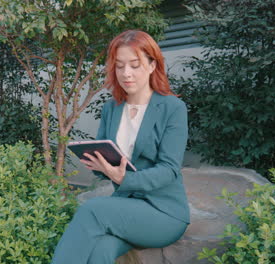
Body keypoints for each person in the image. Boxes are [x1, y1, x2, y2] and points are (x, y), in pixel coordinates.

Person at [51, 29, 190, 264]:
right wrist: (98, 164)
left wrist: (124, 178)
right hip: (125, 209)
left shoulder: (172, 108)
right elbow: (106, 161)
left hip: (163, 213)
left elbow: (169, 169)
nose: (126, 73)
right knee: (100, 251)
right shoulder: (111, 108)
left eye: (134, 65)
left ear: (151, 64)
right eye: (119, 66)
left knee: (91, 210)